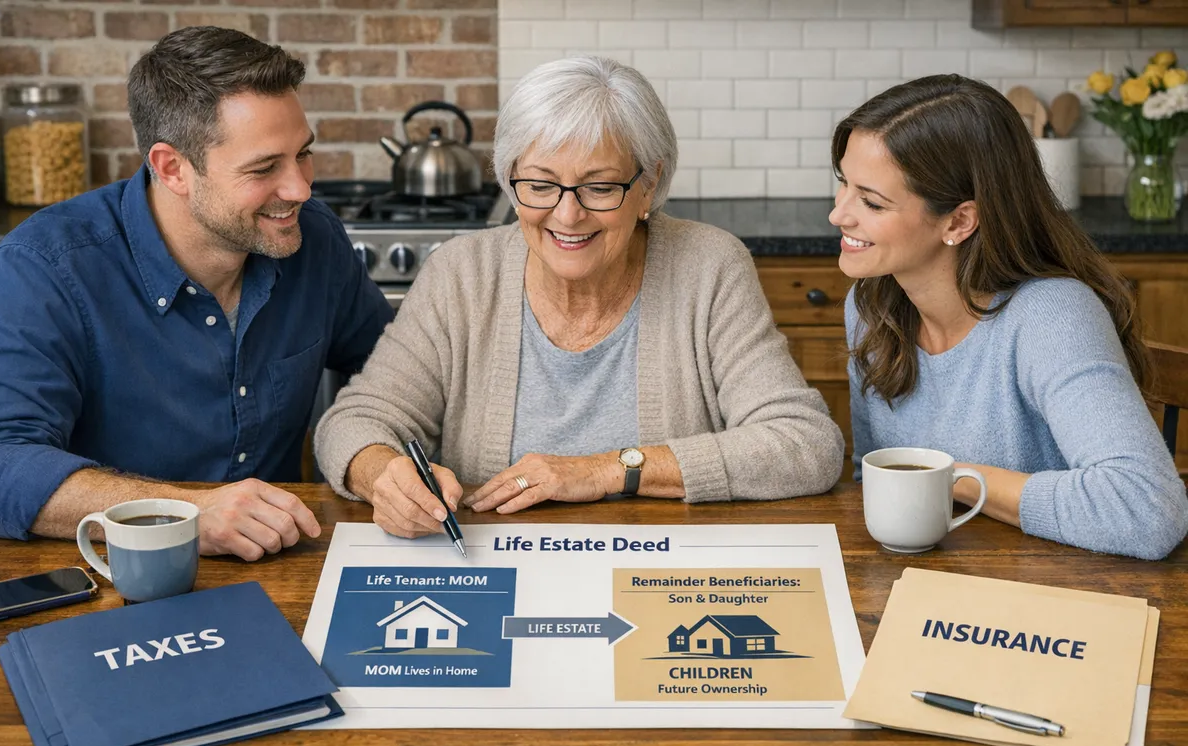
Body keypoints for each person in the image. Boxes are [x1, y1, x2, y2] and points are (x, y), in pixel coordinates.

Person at [315, 55, 844, 539]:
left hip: (660, 575)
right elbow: (353, 422)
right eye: (541, 185)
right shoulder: (461, 273)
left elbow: (806, 444)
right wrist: (383, 475)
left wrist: (607, 470)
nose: (568, 216)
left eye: (599, 187)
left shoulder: (708, 266)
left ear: (649, 183)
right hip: (493, 573)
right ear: (510, 180)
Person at [0, 27, 393, 560]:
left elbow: (398, 375)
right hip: (107, 576)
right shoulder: (45, 267)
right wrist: (183, 513)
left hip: (283, 567)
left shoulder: (314, 239)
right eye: (264, 168)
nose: (300, 188)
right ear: (172, 168)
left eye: (304, 153)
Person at [832, 74, 1188, 560]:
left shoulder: (1051, 315)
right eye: (844, 184)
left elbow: (1147, 510)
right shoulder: (871, 305)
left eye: (872, 201)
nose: (839, 214)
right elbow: (871, 480)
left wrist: (951, 478)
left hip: (1057, 588)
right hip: (937, 580)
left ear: (959, 220)